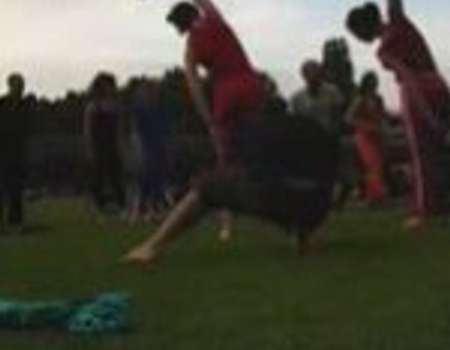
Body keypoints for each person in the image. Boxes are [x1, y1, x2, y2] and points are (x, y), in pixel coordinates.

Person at [122, 102, 340, 264]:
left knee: (207, 185)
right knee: (295, 186)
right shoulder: (313, 128)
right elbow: (333, 169)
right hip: (316, 207)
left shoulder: (260, 129)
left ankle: (152, 246)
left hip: (275, 197)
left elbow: (251, 169)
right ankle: (302, 239)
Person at [135, 0, 268, 242]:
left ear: (180, 25)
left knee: (225, 162)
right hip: (250, 84)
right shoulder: (215, 19)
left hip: (226, 94)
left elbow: (194, 86)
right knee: (260, 148)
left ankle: (227, 225)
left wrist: (209, 120)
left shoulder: (190, 48)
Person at [345, 0, 450, 230]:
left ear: (363, 33)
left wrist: (421, 109)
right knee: (436, 151)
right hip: (440, 83)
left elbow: (407, 76)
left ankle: (425, 212)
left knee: (421, 155)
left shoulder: (384, 52)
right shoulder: (398, 17)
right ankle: (443, 205)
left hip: (420, 90)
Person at [0, 73, 34, 232]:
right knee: (1, 186)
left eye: (22, 85)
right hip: (2, 150)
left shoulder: (24, 106)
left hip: (18, 149)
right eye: (18, 85)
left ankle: (15, 219)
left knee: (17, 187)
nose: (21, 88)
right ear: (10, 85)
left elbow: (28, 127)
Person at [83, 72, 127, 220]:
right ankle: (98, 207)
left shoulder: (116, 106)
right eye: (108, 86)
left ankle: (122, 206)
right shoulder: (93, 107)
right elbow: (88, 130)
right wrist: (90, 149)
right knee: (98, 178)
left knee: (116, 176)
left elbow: (119, 130)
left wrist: (121, 148)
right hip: (99, 146)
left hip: (112, 146)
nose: (110, 89)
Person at [128, 80, 172, 223]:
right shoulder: (138, 111)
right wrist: (139, 149)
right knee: (143, 181)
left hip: (157, 148)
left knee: (156, 181)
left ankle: (153, 210)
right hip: (145, 149)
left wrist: (165, 146)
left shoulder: (160, 110)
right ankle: (139, 211)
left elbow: (165, 131)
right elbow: (136, 132)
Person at [346, 71, 389, 206]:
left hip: (377, 135)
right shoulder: (360, 99)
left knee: (378, 165)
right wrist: (365, 126)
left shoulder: (378, 99)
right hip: (363, 136)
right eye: (372, 81)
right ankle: (375, 196)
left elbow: (382, 116)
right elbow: (349, 118)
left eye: (376, 80)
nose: (375, 83)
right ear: (367, 82)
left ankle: (375, 196)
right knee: (372, 164)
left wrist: (383, 125)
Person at [290, 60, 345, 136]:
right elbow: (296, 120)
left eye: (315, 71)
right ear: (303, 75)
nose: (312, 75)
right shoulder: (297, 98)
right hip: (306, 136)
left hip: (329, 134)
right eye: (308, 72)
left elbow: (339, 116)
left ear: (321, 73)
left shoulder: (333, 92)